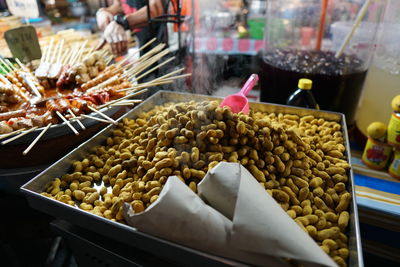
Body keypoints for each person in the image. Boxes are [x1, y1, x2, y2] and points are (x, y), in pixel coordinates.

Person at [96, 0, 167, 56]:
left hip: (163, 43)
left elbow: (156, 8)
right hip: (143, 42)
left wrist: (121, 22)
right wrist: (105, 12)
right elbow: (119, 5)